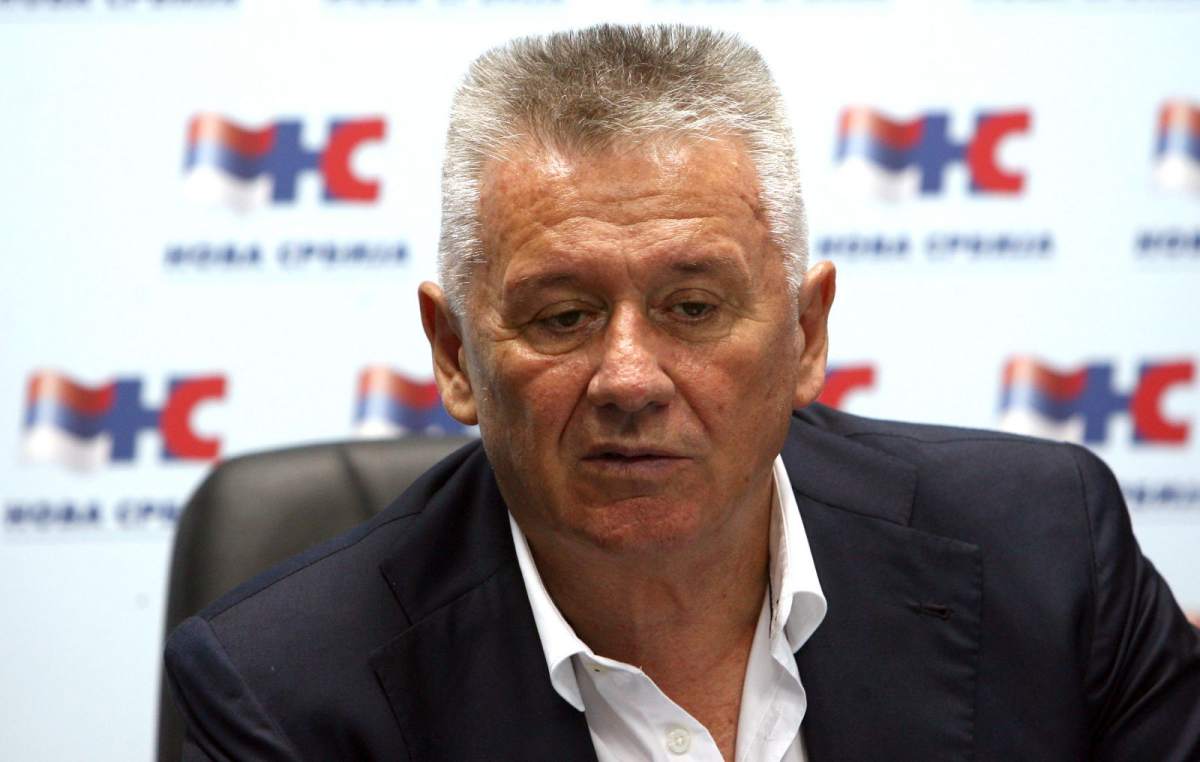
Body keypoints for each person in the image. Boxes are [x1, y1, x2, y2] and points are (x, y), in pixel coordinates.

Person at [164, 25, 1200, 761]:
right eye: (563, 316)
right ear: (453, 355)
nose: (629, 377)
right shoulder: (283, 692)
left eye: (694, 307)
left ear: (805, 334)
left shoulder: (1047, 555)